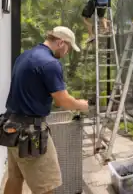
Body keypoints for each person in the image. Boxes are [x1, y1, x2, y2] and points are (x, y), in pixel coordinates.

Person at [2, 26, 89, 194]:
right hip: (29, 132)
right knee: (46, 186)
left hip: (10, 126)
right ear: (61, 42)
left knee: (15, 177)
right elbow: (62, 100)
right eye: (68, 48)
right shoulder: (50, 63)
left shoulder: (24, 56)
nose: (67, 52)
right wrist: (81, 105)